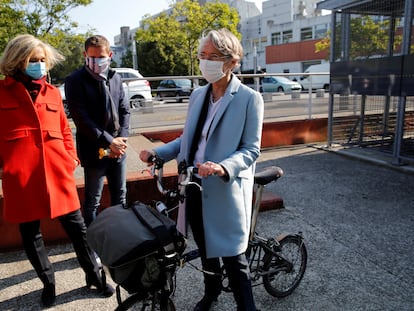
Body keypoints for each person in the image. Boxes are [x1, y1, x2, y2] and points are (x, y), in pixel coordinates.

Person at [140, 28, 263, 311]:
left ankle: (248, 307)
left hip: (224, 190)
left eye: (213, 56)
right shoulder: (198, 95)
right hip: (192, 185)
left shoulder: (249, 99)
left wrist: (222, 167)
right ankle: (211, 293)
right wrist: (158, 154)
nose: (205, 62)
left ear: (231, 61)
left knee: (233, 257)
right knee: (206, 250)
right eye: (202, 56)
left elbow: (251, 149)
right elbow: (188, 139)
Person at [0, 34, 114, 307]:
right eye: (33, 60)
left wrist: (70, 157)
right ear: (17, 61)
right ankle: (48, 283)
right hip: (22, 179)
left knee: (80, 231)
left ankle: (95, 277)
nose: (39, 65)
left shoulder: (52, 92)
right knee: (31, 236)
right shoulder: (1, 94)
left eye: (42, 60)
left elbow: (64, 129)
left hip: (57, 175)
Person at [65, 35, 130, 227]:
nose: (96, 62)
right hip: (94, 151)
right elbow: (82, 119)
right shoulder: (74, 80)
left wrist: (122, 139)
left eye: (100, 57)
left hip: (119, 149)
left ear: (109, 55)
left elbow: (125, 110)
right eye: (91, 57)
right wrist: (110, 141)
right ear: (85, 55)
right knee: (93, 200)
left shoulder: (115, 77)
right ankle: (93, 245)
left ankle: (123, 238)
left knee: (121, 196)